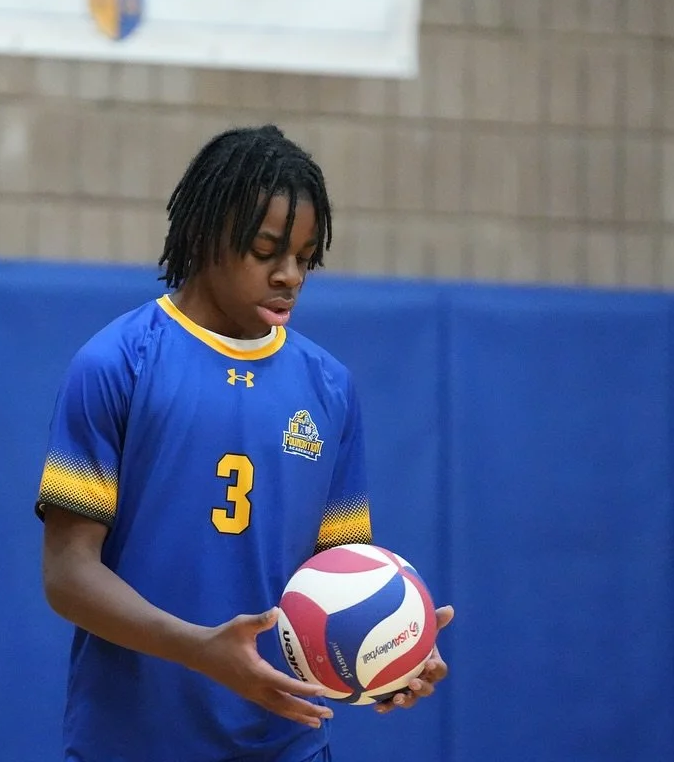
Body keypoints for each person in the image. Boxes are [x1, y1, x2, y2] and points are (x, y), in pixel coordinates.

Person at [35, 124, 453, 762]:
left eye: (305, 258)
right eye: (267, 250)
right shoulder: (118, 362)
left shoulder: (330, 387)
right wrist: (200, 649)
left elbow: (341, 577)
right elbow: (68, 575)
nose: (290, 275)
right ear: (207, 238)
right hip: (131, 743)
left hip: (285, 744)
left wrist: (388, 655)